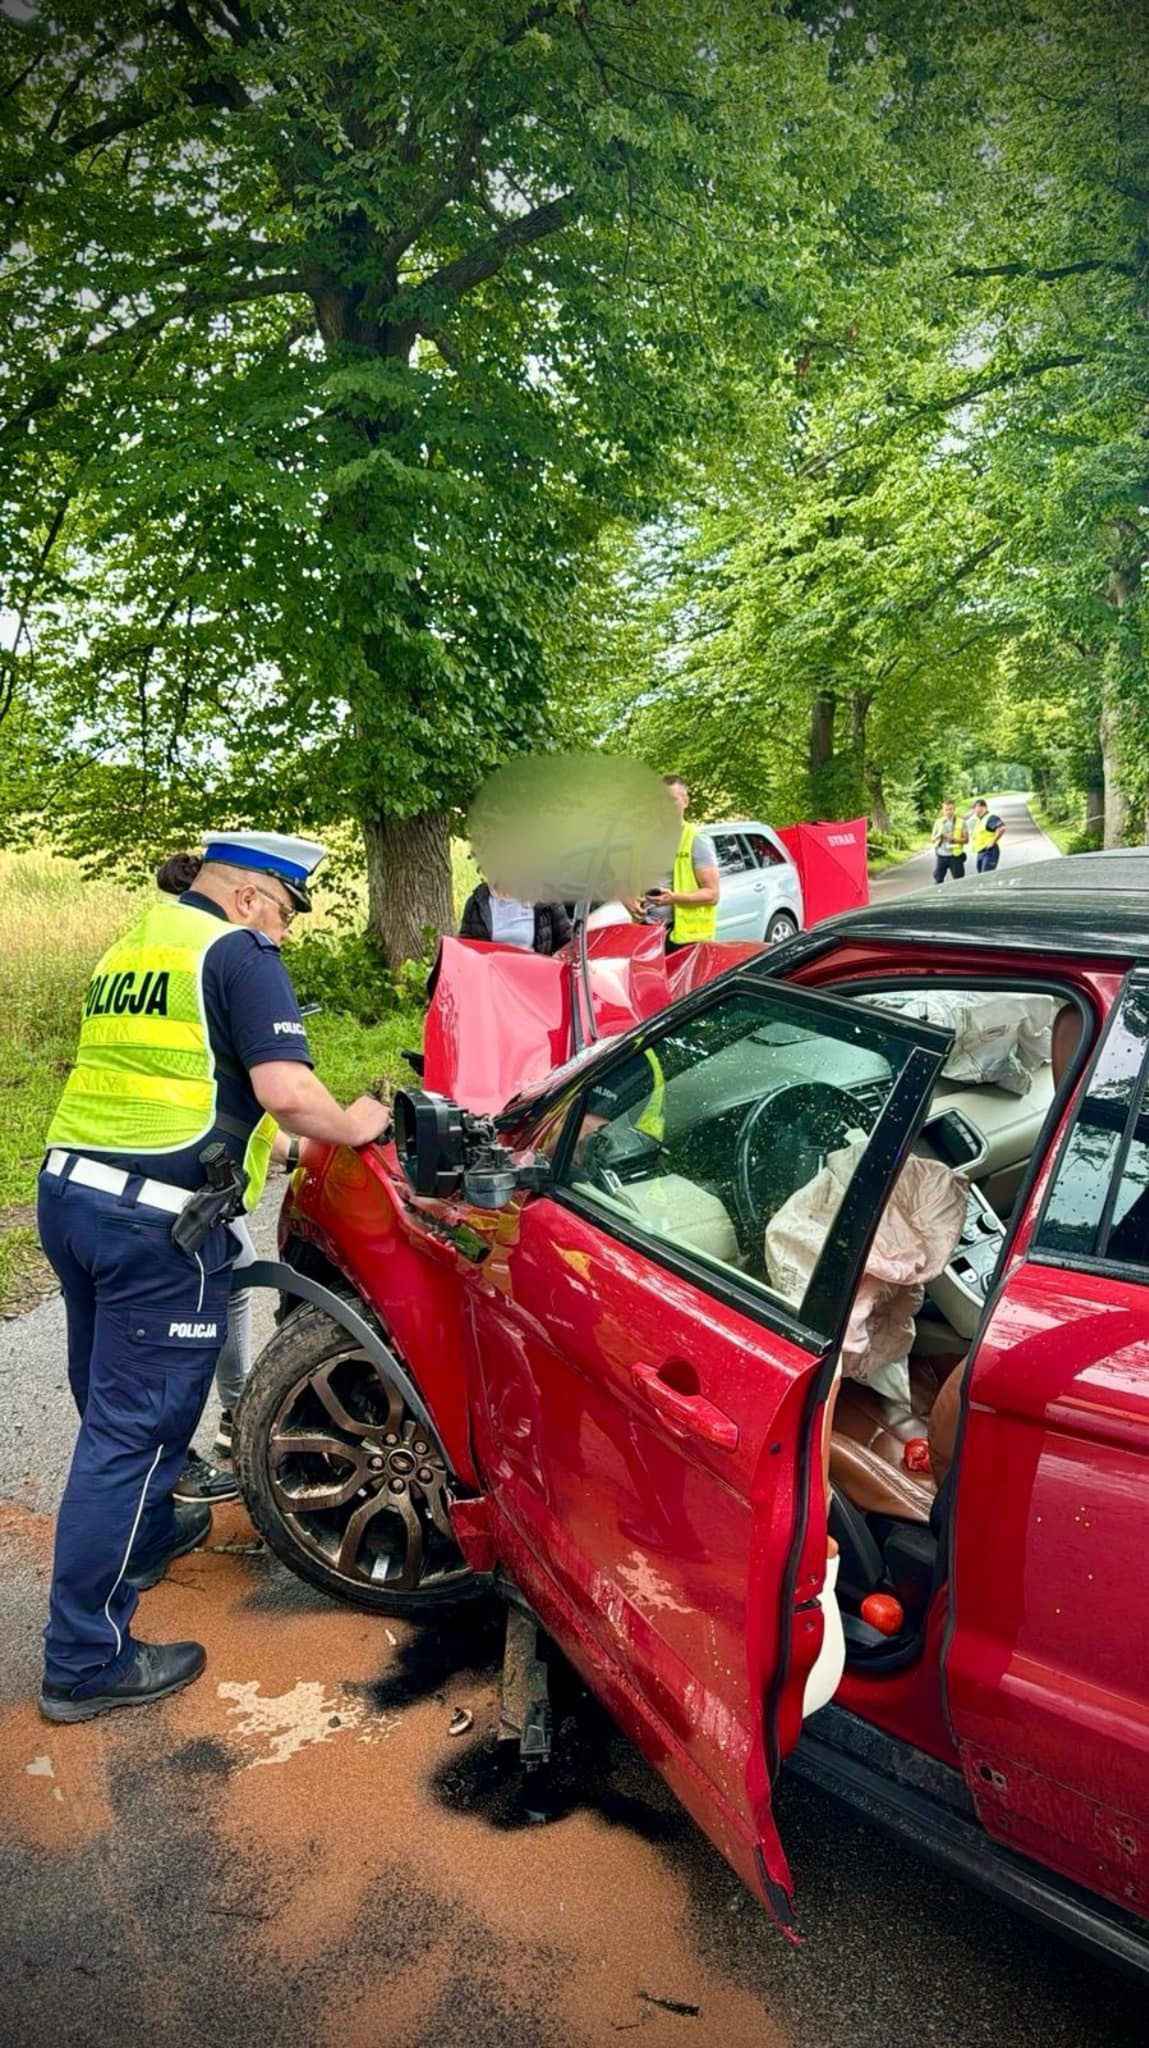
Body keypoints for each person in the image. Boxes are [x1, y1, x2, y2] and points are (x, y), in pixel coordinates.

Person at [36, 829, 391, 1723]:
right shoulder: (237, 951)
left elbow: (192, 1082)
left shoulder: (139, 945)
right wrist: (361, 1121)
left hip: (73, 1195)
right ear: (247, 895)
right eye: (282, 911)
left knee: (107, 1394)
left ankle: (148, 1536)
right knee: (136, 1430)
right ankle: (85, 1659)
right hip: (156, 1225)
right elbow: (285, 1092)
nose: (283, 932)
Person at [635, 775, 720, 951]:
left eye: (671, 800)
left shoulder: (696, 840)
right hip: (647, 932)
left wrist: (674, 899)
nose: (664, 807)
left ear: (685, 802)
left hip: (685, 940)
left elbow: (712, 895)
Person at [459, 879, 572, 953]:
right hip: (492, 982)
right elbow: (464, 951)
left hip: (536, 980)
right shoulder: (477, 901)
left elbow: (568, 944)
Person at [930, 799, 968, 884]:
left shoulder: (961, 822)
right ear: (943, 810)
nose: (948, 812)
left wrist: (953, 839)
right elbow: (932, 839)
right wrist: (939, 835)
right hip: (941, 855)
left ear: (954, 809)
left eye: (950, 809)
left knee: (959, 882)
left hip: (955, 856)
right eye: (946, 810)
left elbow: (966, 840)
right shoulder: (938, 822)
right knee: (938, 881)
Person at [969, 799, 1006, 874]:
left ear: (983, 807)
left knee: (986, 876)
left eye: (975, 807)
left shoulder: (991, 818)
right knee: (981, 876)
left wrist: (993, 841)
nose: (974, 810)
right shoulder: (979, 820)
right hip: (980, 852)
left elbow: (1002, 828)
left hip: (989, 852)